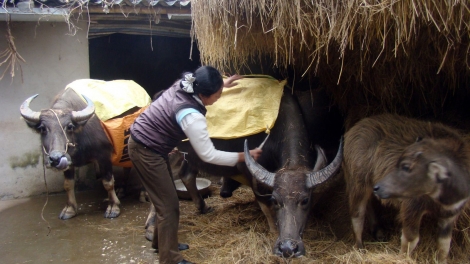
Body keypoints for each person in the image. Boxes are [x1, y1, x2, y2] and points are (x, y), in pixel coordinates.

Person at [128, 65, 263, 264]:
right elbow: (209, 155)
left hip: (150, 144)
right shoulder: (191, 115)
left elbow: (205, 90)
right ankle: (170, 259)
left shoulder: (187, 84)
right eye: (217, 95)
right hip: (146, 150)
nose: (218, 98)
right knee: (169, 206)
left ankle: (164, 245)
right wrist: (245, 156)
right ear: (203, 94)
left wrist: (222, 84)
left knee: (165, 201)